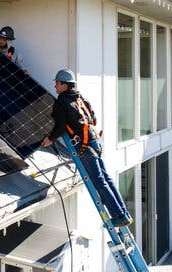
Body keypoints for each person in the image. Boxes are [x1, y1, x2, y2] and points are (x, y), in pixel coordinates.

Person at [41, 68, 133, 227]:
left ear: (64, 85)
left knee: (99, 182)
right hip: (95, 142)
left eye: (57, 83)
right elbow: (93, 118)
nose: (55, 86)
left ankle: (118, 215)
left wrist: (50, 139)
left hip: (85, 148)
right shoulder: (80, 98)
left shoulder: (62, 102)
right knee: (107, 180)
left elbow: (61, 126)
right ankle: (123, 213)